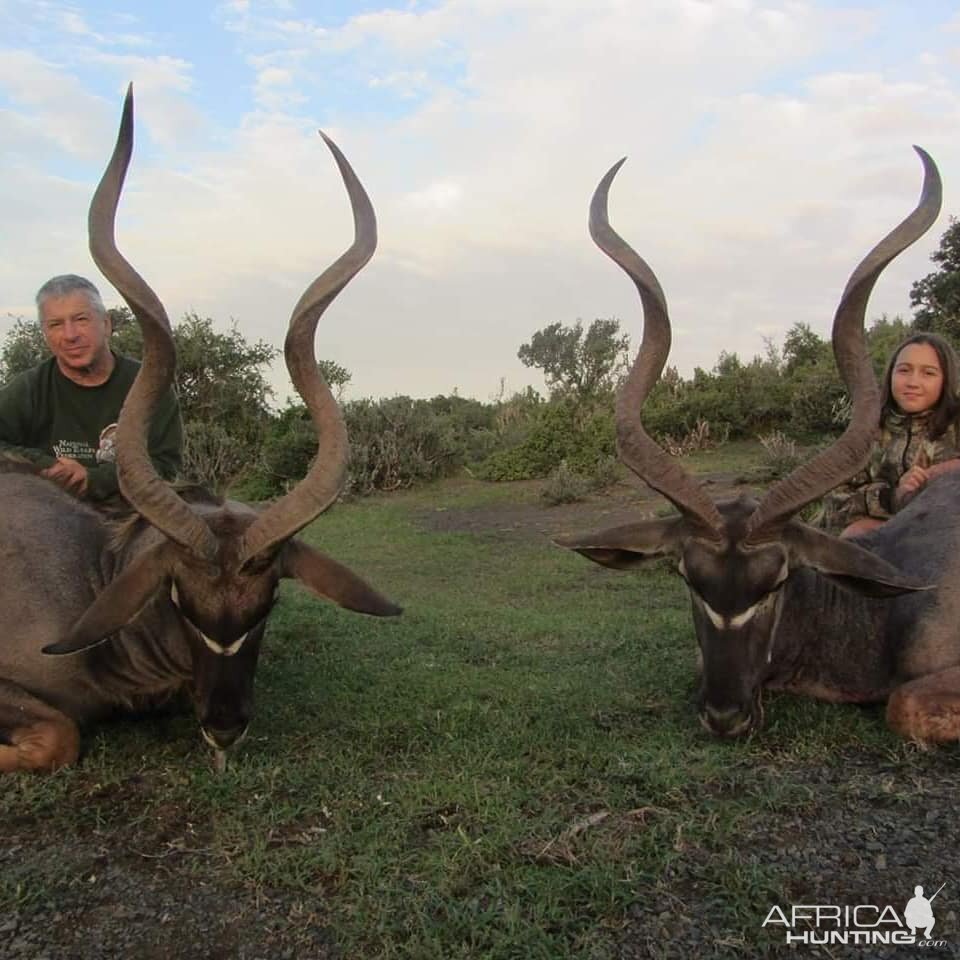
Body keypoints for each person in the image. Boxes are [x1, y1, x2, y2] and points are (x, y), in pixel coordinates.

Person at [0, 274, 182, 501]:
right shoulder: (29, 387)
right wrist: (49, 468)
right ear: (45, 334)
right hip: (51, 512)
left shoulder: (147, 383)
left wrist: (93, 479)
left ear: (106, 324)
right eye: (56, 324)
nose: (70, 335)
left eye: (81, 319)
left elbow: (166, 465)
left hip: (129, 514)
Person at [822, 332, 960, 537]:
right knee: (856, 535)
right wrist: (892, 497)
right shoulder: (866, 430)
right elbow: (834, 504)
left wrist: (948, 471)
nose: (913, 382)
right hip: (890, 537)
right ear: (890, 375)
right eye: (904, 370)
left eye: (928, 373)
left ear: (946, 380)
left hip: (947, 537)